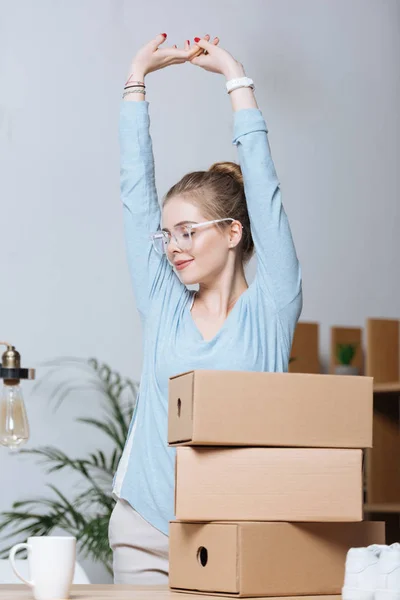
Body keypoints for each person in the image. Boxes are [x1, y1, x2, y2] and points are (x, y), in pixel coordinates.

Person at [108, 32, 302, 585]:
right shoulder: (163, 302)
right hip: (144, 531)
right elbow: (133, 192)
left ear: (234, 231)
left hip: (238, 531)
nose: (173, 246)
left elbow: (267, 195)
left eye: (188, 231)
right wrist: (136, 82)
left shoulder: (272, 306)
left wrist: (236, 80)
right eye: (167, 235)